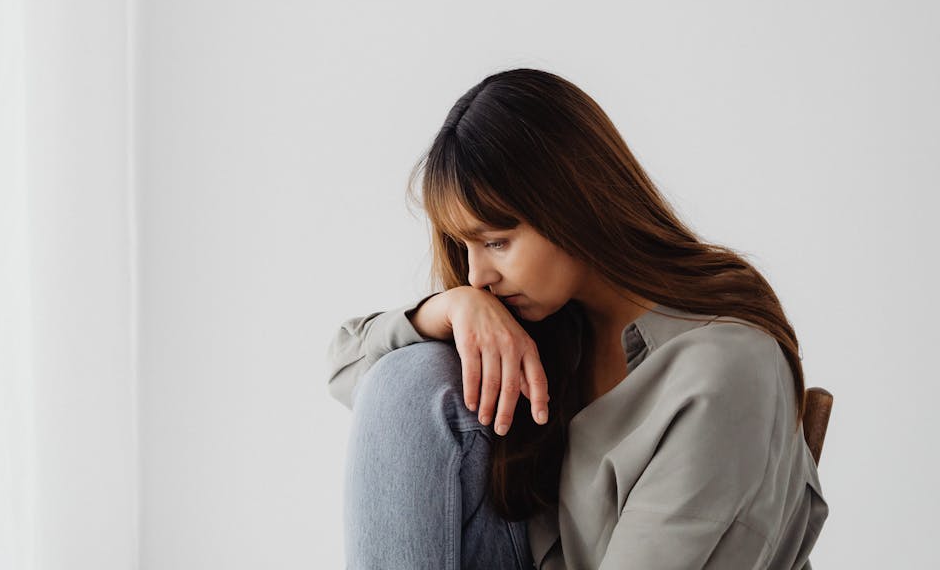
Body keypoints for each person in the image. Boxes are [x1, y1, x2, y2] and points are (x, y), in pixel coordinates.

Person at [325, 68, 828, 569]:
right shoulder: (554, 328)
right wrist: (447, 309)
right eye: (466, 246)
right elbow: (352, 376)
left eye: (496, 241)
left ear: (572, 201)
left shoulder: (722, 370)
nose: (477, 276)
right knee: (408, 379)